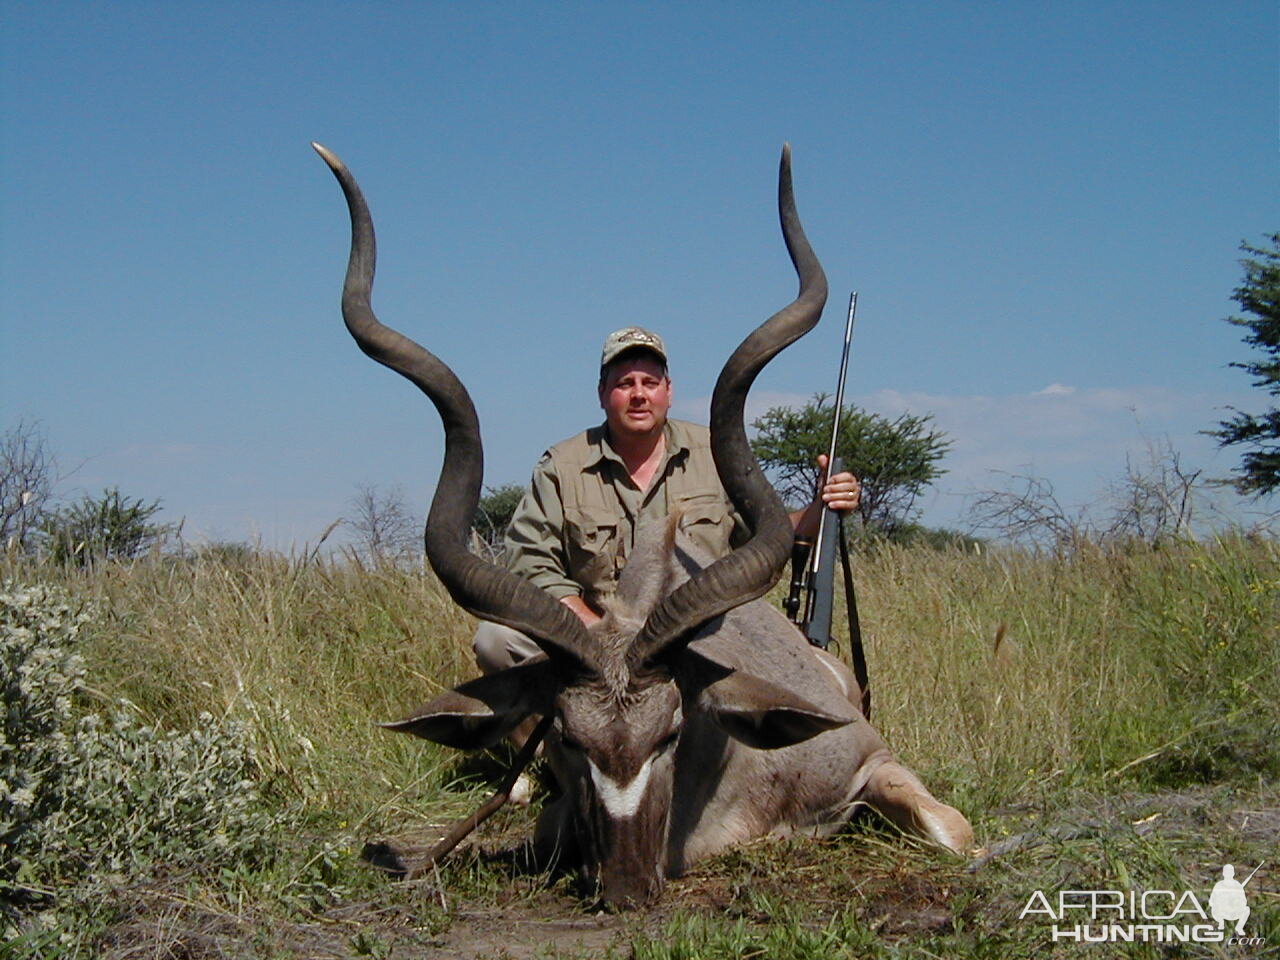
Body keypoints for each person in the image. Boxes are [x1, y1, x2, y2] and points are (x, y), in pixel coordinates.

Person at [474, 326, 861, 674]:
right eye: (624, 383)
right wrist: (590, 626)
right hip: (593, 637)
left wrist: (821, 506)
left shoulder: (717, 452)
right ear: (602, 394)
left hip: (699, 635)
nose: (639, 395)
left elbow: (766, 537)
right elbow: (530, 561)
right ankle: (562, 751)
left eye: (650, 382)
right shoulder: (562, 465)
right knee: (497, 641)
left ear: (669, 392)